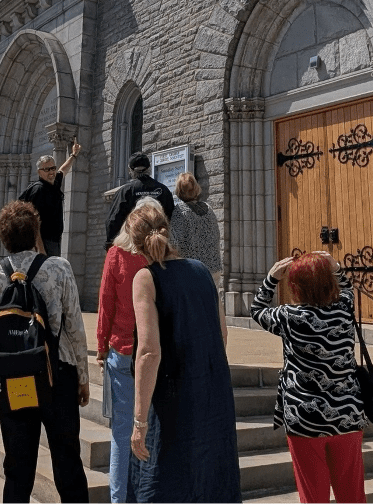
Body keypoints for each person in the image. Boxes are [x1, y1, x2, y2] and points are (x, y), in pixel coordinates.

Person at [0, 201, 90, 504]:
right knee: (68, 462)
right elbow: (76, 330)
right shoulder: (59, 267)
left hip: (14, 378)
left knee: (18, 467)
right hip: (57, 374)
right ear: (36, 231)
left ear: (3, 237)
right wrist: (83, 377)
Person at [127, 201, 240, 504]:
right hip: (212, 397)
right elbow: (222, 333)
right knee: (209, 484)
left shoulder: (146, 278)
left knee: (163, 485)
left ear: (136, 244)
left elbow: (149, 352)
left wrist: (139, 422)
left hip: (171, 401)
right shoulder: (202, 271)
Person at [250, 252, 367, 504]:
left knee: (313, 496)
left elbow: (257, 309)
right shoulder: (344, 310)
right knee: (352, 494)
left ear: (295, 287)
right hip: (346, 414)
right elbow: (348, 290)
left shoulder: (288, 317)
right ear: (330, 283)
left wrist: (271, 278)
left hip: (304, 418)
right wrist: (336, 268)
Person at [96, 198, 156, 504]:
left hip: (121, 351)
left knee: (121, 435)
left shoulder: (115, 255)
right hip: (152, 353)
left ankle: (119, 500)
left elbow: (105, 304)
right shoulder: (156, 259)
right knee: (148, 429)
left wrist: (100, 347)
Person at [169, 172, 225, 340]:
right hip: (213, 268)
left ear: (178, 190)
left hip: (192, 270)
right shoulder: (209, 209)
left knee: (193, 315)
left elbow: (174, 243)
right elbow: (216, 237)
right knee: (211, 311)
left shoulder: (179, 212)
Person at [18, 140, 82, 257]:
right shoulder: (39, 190)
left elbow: (63, 170)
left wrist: (74, 154)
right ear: (39, 172)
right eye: (47, 169)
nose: (51, 172)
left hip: (53, 241)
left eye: (53, 168)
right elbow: (34, 222)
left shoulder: (52, 183)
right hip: (42, 243)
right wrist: (41, 249)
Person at [104, 152, 175, 249]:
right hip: (158, 248)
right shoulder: (163, 190)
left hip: (132, 248)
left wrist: (110, 246)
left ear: (131, 170)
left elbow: (113, 221)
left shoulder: (125, 191)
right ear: (149, 169)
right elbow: (172, 218)